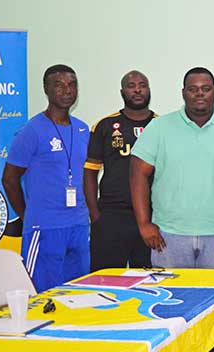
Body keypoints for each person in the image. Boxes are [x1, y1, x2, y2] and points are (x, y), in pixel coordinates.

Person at [129, 67, 214, 352]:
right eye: (193, 88)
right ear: (183, 92)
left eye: (206, 88)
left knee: (211, 305)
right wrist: (144, 224)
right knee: (171, 300)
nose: (199, 93)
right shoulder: (161, 128)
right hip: (169, 235)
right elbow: (138, 173)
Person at [2, 64, 90, 292]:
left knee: (77, 294)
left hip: (79, 226)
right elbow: (10, 179)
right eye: (58, 85)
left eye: (72, 85)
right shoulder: (32, 130)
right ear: (46, 89)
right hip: (45, 227)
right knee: (42, 298)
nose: (66, 90)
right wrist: (27, 215)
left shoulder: (82, 130)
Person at [84, 70, 156, 271]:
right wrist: (95, 215)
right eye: (131, 86)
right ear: (122, 92)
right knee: (105, 280)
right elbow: (90, 172)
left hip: (152, 217)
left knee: (149, 281)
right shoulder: (105, 126)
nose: (137, 90)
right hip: (111, 216)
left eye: (142, 85)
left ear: (149, 90)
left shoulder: (161, 126)